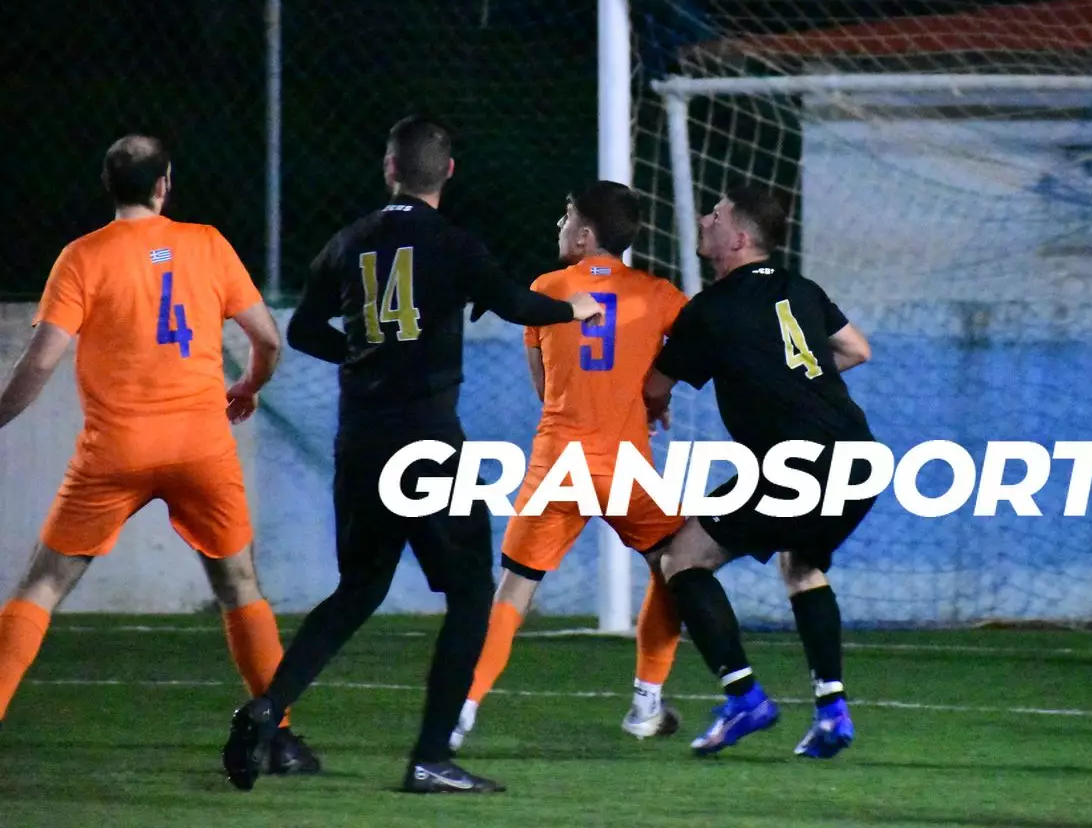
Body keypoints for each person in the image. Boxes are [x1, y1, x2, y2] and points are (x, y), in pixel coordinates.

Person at [220, 116, 602, 794]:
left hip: (361, 439)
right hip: (427, 440)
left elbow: (303, 330)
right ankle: (430, 758)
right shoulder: (453, 242)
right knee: (472, 594)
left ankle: (268, 708)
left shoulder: (348, 241)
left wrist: (362, 355)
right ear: (448, 172)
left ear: (389, 169)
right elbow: (514, 303)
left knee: (358, 589)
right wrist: (577, 312)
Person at [0, 135, 319, 774]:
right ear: (164, 184)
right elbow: (268, 339)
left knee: (43, 584)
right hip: (201, 445)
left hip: (115, 449)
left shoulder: (82, 256)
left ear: (108, 184)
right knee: (239, 585)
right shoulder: (207, 244)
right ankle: (278, 738)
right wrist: (247, 386)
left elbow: (40, 361)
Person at [450, 181, 690, 752]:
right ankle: (645, 704)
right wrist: (654, 396)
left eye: (565, 217)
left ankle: (459, 714)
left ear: (584, 235)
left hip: (558, 461)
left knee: (514, 592)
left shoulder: (547, 289)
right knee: (677, 566)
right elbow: (693, 349)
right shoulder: (659, 294)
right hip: (625, 468)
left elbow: (544, 388)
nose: (558, 226)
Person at [641, 185, 876, 759]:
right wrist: (796, 378)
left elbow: (653, 387)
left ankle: (744, 697)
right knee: (802, 566)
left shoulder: (712, 309)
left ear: (740, 239)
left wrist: (654, 400)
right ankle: (832, 712)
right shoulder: (801, 288)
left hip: (796, 462)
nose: (705, 219)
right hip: (860, 455)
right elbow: (856, 350)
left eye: (716, 215)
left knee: (681, 560)